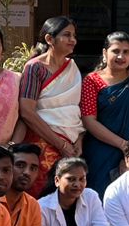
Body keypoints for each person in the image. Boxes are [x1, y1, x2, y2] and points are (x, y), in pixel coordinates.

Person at [81, 31, 129, 194]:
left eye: (126, 52)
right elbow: (89, 120)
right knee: (96, 195)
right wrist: (124, 145)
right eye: (116, 51)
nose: (121, 56)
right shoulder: (92, 80)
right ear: (105, 53)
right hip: (99, 150)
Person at [15, 16, 83, 193]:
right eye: (67, 35)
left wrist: (79, 141)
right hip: (42, 139)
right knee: (41, 195)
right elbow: (27, 111)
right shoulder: (35, 67)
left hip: (71, 144)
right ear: (49, 39)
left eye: (74, 36)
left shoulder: (72, 67)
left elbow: (74, 109)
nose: (73, 40)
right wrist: (61, 145)